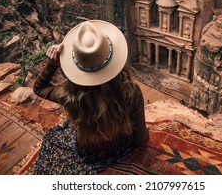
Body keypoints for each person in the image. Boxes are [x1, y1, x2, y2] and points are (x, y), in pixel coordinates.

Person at [33, 20, 149, 174]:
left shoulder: (70, 97)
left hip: (87, 152)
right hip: (121, 150)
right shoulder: (131, 93)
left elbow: (39, 88)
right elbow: (141, 140)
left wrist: (52, 65)